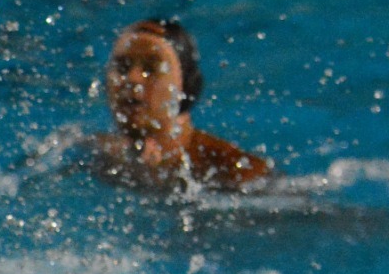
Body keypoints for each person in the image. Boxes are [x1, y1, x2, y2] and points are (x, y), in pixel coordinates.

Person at [84, 18, 276, 192]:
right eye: (123, 67)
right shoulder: (96, 154)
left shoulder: (234, 172)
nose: (132, 79)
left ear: (186, 86)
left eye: (151, 68)